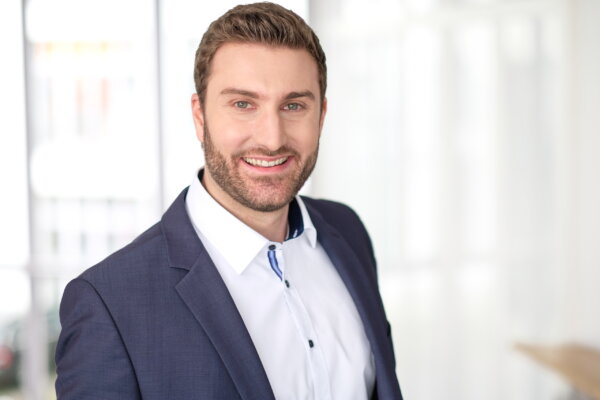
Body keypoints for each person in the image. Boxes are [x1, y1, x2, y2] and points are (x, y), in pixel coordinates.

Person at [54, 2, 402, 399]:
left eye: (293, 105)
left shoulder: (347, 233)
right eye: (243, 104)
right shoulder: (110, 305)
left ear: (321, 116)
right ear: (200, 116)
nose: (272, 138)